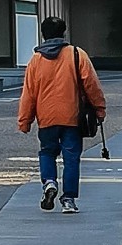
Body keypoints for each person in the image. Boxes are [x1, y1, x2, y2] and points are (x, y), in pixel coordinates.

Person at [17, 16, 106, 215]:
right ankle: (68, 199)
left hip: (46, 117)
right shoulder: (76, 54)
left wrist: (25, 120)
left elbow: (29, 93)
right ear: (64, 32)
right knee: (71, 157)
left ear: (43, 34)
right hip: (72, 116)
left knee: (47, 152)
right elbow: (91, 85)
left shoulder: (36, 60)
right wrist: (99, 108)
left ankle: (49, 182)